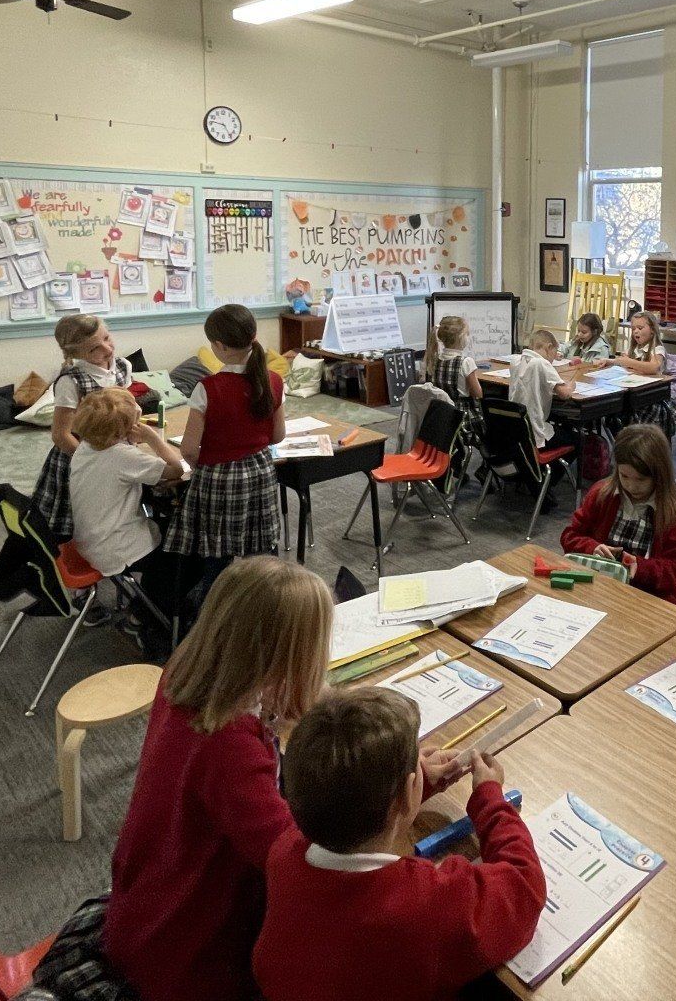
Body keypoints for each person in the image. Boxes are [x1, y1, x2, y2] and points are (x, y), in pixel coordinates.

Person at [106, 558, 332, 1001]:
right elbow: (297, 862)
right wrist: (390, 792)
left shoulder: (189, 677)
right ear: (280, 661)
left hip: (144, 909)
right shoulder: (230, 749)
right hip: (188, 960)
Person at [253, 690, 545, 1001]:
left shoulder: (284, 851)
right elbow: (524, 886)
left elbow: (344, 802)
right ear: (406, 792)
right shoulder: (426, 905)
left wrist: (415, 786)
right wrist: (489, 797)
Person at [166, 305, 288, 609]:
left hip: (218, 478)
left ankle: (213, 610)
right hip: (260, 472)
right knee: (261, 545)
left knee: (217, 551)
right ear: (253, 336)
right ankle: (271, 605)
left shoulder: (208, 388)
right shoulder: (274, 380)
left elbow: (189, 449)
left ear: (218, 346)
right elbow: (277, 436)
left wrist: (201, 464)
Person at [67, 387, 186, 640]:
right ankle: (142, 616)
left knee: (165, 530)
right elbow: (176, 469)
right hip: (116, 548)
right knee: (183, 555)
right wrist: (152, 438)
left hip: (87, 541)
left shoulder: (85, 447)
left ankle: (145, 605)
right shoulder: (123, 456)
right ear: (121, 431)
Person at [560, 423, 676, 609]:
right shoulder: (602, 494)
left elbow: (675, 568)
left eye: (641, 479)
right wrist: (592, 547)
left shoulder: (673, 511)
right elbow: (570, 536)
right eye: (624, 476)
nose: (631, 486)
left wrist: (641, 568)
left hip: (647, 595)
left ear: (659, 475)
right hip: (598, 585)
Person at [32, 314, 134, 543]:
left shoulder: (122, 366)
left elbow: (126, 411)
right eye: (94, 348)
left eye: (106, 338)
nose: (107, 348)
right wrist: (92, 461)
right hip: (81, 457)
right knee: (76, 522)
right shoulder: (71, 381)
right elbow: (61, 435)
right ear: (76, 354)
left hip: (115, 450)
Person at [508, 327, 576, 450]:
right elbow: (564, 394)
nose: (554, 358)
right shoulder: (542, 363)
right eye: (555, 352)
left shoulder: (515, 361)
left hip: (516, 430)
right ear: (549, 347)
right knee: (577, 438)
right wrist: (571, 385)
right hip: (535, 433)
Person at [424, 314, 482, 403]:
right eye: (467, 334)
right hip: (459, 409)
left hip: (439, 408)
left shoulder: (433, 359)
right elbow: (477, 394)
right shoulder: (466, 362)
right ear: (461, 337)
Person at [613, 310, 667, 377]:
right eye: (633, 329)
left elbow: (654, 368)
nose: (635, 331)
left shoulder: (658, 349)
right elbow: (621, 361)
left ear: (652, 330)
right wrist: (608, 361)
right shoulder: (633, 349)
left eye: (640, 328)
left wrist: (629, 362)